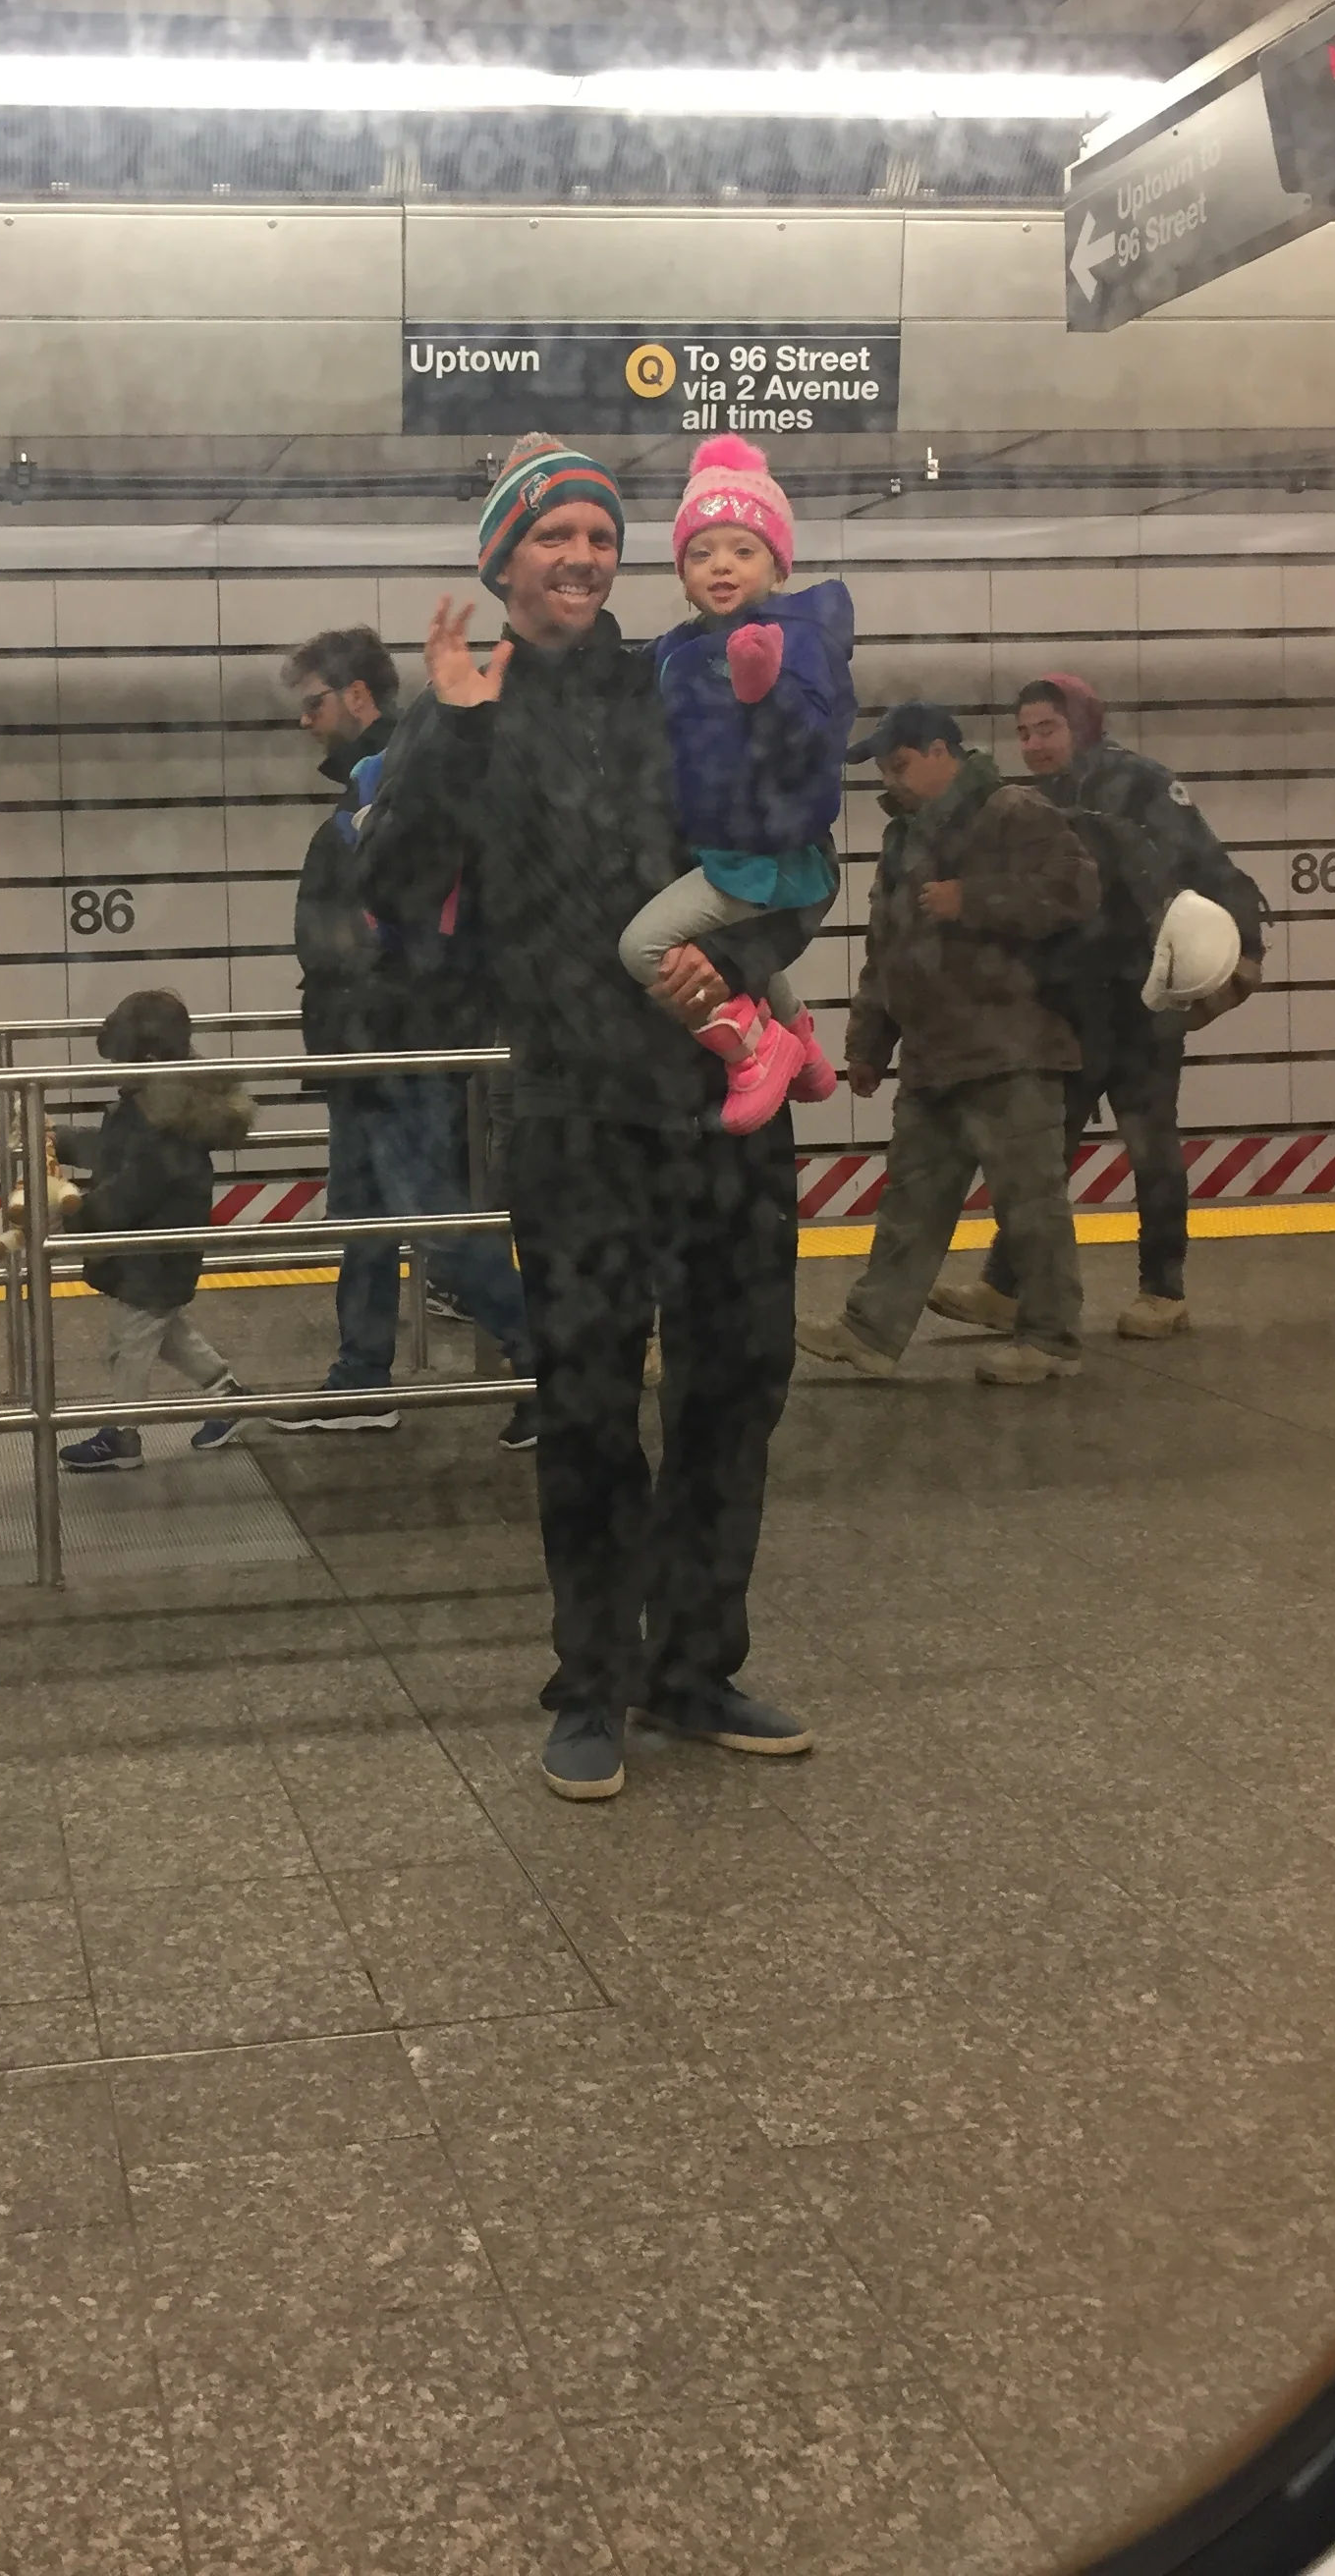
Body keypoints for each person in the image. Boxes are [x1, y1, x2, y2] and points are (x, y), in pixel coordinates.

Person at [354, 436, 809, 1803]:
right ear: (502, 560)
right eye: (554, 536)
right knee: (592, 1406)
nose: (584, 557)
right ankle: (593, 1683)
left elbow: (787, 849)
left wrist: (736, 960)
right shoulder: (465, 710)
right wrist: (450, 728)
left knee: (736, 1390)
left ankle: (696, 1667)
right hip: (576, 1112)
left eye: (603, 537)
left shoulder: (681, 678)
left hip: (723, 1103)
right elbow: (392, 890)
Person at [931, 673, 1264, 1343]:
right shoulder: (1026, 801)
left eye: (1047, 729)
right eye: (1023, 733)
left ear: (1082, 723)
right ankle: (1005, 1286)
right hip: (1069, 1001)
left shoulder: (1141, 783)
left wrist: (1245, 956)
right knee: (1045, 1147)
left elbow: (1211, 866)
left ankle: (1163, 1292)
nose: (1033, 745)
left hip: (1142, 997)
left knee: (1150, 1144)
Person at [279, 624, 535, 1450]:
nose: (306, 721)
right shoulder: (375, 781)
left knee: (434, 1222)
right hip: (366, 1041)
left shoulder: (405, 775)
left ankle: (550, 1364)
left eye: (314, 703)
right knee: (362, 1218)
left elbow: (403, 910)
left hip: (399, 1037)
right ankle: (360, 1378)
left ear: (357, 695)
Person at [801, 703, 1100, 1387]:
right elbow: (888, 946)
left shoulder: (1011, 812)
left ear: (942, 751)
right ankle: (871, 1332)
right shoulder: (905, 837)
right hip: (936, 1053)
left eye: (900, 765)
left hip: (1013, 1048)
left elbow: (1075, 891)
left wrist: (974, 899)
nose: (892, 781)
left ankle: (1052, 1340)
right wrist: (869, 1042)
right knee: (911, 1201)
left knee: (1030, 1206)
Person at [616, 434, 853, 1131]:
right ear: (681, 571)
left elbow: (815, 736)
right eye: (701, 552)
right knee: (724, 943)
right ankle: (802, 1041)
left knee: (643, 948)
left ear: (778, 564)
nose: (721, 565)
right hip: (720, 845)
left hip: (768, 852)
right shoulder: (680, 649)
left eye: (743, 550)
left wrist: (765, 689)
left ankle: (756, 1047)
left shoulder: (795, 637)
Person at [56, 989, 255, 1473]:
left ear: (145, 1058)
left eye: (119, 1061)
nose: (114, 1072)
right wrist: (63, 1141)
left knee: (127, 1347)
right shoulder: (162, 1104)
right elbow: (119, 1154)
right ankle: (229, 1398)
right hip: (156, 1253)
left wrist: (80, 1216)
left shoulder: (160, 1120)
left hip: (153, 1253)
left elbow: (131, 1188)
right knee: (164, 1333)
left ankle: (122, 1438)